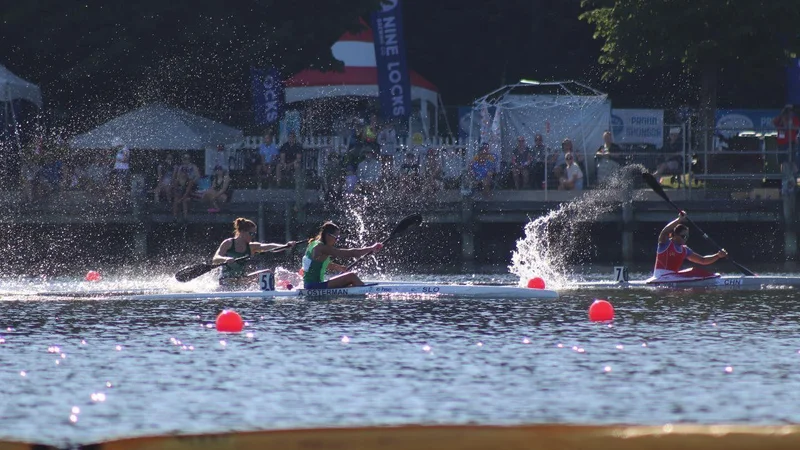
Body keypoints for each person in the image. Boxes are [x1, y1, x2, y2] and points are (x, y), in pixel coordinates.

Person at [212, 218, 296, 288]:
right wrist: (225, 259)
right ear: (242, 232)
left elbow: (270, 247)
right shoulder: (228, 243)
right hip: (226, 280)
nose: (253, 236)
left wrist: (286, 245)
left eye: (254, 234)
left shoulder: (252, 247)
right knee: (232, 280)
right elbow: (215, 259)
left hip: (241, 278)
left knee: (267, 272)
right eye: (251, 233)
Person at [302, 221, 383, 289]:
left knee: (350, 282)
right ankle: (365, 295)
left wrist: (339, 267)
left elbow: (318, 264)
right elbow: (350, 253)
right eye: (335, 237)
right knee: (351, 276)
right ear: (327, 235)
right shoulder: (322, 247)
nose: (336, 241)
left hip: (308, 285)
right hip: (315, 286)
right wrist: (371, 248)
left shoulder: (312, 244)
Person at [653, 211, 727, 280]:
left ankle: (712, 278)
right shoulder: (665, 243)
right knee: (693, 272)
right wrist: (679, 219)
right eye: (683, 236)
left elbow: (702, 260)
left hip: (672, 277)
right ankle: (712, 279)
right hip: (660, 276)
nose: (685, 239)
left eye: (687, 237)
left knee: (693, 270)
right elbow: (664, 231)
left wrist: (718, 255)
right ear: (675, 235)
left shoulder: (685, 250)